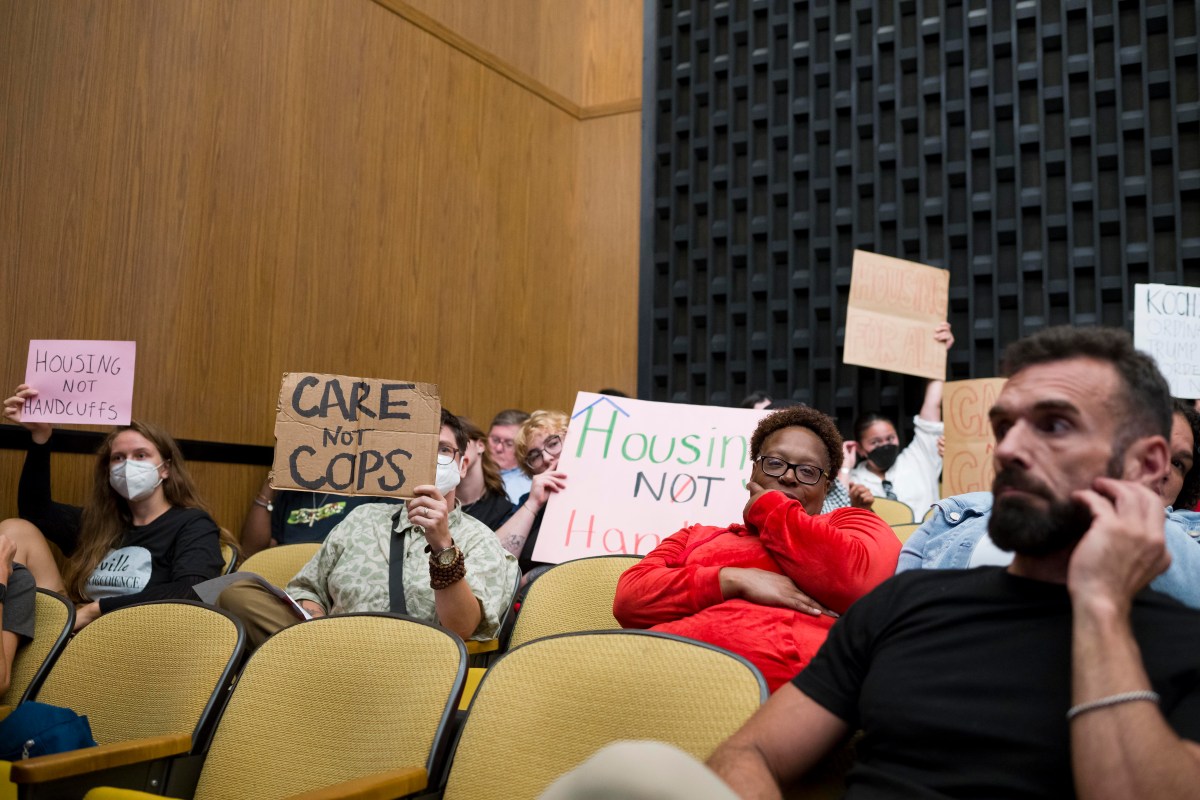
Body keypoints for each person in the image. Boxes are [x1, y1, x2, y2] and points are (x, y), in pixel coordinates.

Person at [546, 325, 1200, 798]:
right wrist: (724, 575)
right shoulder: (907, 605)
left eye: (1054, 425)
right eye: (1006, 427)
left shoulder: (1178, 639)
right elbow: (752, 753)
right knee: (631, 772)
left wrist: (1102, 604)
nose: (1010, 450)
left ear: (1148, 465)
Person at [612, 406, 900, 692]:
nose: (788, 477)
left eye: (808, 471)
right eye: (775, 463)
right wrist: (734, 580)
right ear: (754, 470)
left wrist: (768, 507)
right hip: (656, 680)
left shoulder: (854, 523)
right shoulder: (694, 536)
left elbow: (861, 585)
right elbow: (629, 601)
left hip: (789, 698)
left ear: (826, 487)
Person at [217, 409, 519, 649]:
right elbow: (308, 589)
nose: (430, 459)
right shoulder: (361, 518)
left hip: (417, 667)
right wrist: (314, 619)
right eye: (419, 450)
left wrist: (442, 545)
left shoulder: (482, 541)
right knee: (237, 594)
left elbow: (461, 628)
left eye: (442, 450)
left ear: (463, 465)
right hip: (334, 648)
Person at [897, 398, 1200, 608]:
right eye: (1145, 447)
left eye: (1178, 463)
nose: (1160, 469)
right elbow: (898, 605)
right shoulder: (961, 511)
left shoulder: (1190, 538)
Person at [2, 384, 232, 631]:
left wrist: (97, 609)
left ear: (165, 468)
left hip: (139, 633)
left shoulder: (193, 523)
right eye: (118, 458)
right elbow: (35, 511)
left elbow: (194, 590)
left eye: (141, 455)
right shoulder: (99, 523)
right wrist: (40, 438)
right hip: (76, 627)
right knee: (15, 529)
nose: (128, 465)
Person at [846, 321, 954, 518]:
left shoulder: (920, 457)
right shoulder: (853, 481)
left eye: (890, 438)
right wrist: (844, 469)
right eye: (875, 442)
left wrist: (940, 354)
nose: (885, 445)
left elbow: (932, 404)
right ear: (860, 448)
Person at [238, 478, 402, 559]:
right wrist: (270, 484)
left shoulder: (373, 484)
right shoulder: (292, 489)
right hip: (288, 584)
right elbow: (251, 553)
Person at [493, 410, 569, 577]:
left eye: (553, 443)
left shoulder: (605, 489)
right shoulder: (528, 501)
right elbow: (493, 560)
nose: (548, 458)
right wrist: (533, 504)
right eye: (535, 456)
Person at [456, 416, 516, 531]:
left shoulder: (502, 509)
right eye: (443, 448)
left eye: (460, 442)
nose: (454, 451)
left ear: (480, 446)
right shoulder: (436, 500)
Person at [489, 409, 532, 504]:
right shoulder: (471, 472)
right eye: (495, 440)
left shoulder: (530, 486)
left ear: (524, 447)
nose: (499, 448)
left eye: (509, 444)